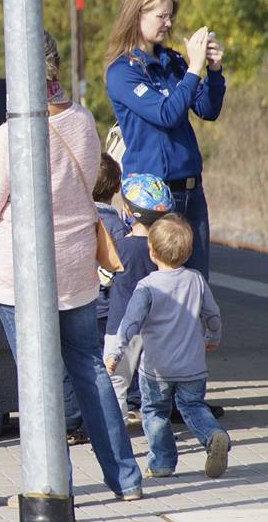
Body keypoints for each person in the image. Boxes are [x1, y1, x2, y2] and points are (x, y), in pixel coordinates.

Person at [0, 31, 142, 503]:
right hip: (74, 265)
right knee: (88, 367)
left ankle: (55, 484)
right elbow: (88, 183)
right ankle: (126, 479)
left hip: (21, 274)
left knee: (38, 375)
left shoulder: (12, 135)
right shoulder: (83, 121)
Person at [105, 0, 225, 279]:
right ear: (137, 15)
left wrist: (212, 71)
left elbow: (207, 110)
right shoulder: (123, 71)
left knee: (195, 283)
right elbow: (167, 114)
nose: (168, 23)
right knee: (156, 285)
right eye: (161, 16)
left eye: (170, 16)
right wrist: (194, 69)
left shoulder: (172, 60)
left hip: (190, 189)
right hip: (153, 195)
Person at [105, 213, 228, 479]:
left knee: (155, 412)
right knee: (194, 406)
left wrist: (116, 352)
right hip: (193, 366)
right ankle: (213, 434)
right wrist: (212, 338)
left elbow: (130, 323)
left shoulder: (147, 287)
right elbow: (213, 315)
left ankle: (161, 462)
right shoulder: (196, 279)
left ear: (151, 251)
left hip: (156, 369)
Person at [103, 173, 172, 423]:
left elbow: (104, 279)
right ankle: (157, 426)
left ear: (129, 212)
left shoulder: (120, 248)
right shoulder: (165, 249)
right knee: (154, 382)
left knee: (116, 382)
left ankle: (115, 433)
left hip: (121, 324)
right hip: (157, 325)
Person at [93, 153, 127, 347]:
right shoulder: (116, 225)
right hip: (107, 307)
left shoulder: (81, 220)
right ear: (117, 187)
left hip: (83, 302)